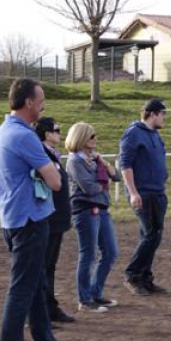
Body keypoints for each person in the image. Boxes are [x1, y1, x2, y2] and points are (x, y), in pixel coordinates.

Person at [0, 78, 72, 341]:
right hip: (29, 221)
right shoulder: (24, 136)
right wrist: (48, 175)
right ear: (28, 102)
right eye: (41, 100)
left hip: (16, 219)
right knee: (22, 290)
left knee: (36, 285)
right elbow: (56, 181)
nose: (43, 105)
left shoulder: (5, 130)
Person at [66, 122, 122, 313]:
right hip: (85, 210)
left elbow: (116, 177)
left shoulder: (94, 160)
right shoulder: (74, 161)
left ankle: (95, 293)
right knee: (88, 255)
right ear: (80, 138)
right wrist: (103, 183)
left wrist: (104, 163)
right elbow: (89, 188)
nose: (94, 139)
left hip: (101, 209)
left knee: (111, 252)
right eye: (91, 136)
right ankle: (85, 299)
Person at [119, 98, 170, 296]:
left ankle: (145, 278)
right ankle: (132, 275)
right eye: (163, 114)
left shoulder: (155, 135)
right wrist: (133, 192)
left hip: (157, 192)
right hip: (143, 193)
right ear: (152, 114)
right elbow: (125, 165)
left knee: (154, 236)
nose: (164, 118)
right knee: (150, 235)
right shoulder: (133, 133)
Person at [34, 117, 75, 323]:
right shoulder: (41, 154)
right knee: (43, 266)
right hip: (49, 217)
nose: (60, 133)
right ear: (46, 133)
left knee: (50, 265)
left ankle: (50, 307)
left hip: (57, 218)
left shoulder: (51, 154)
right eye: (56, 130)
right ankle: (40, 311)